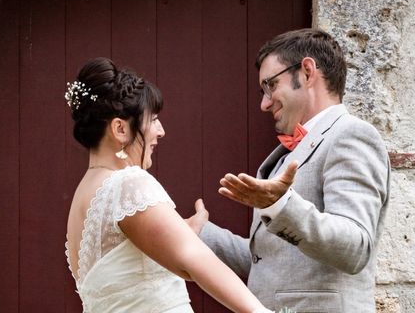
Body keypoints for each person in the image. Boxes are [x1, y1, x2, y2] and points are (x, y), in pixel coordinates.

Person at [188, 28, 391, 313]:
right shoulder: (290, 152)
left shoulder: (351, 135)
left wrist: (280, 205)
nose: (264, 102)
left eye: (270, 85)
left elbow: (354, 248)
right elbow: (273, 263)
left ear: (307, 72)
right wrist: (203, 235)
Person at [64, 57, 272, 313]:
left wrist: (183, 230)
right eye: (152, 119)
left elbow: (129, 266)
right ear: (120, 128)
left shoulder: (84, 196)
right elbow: (195, 259)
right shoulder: (127, 184)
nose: (160, 131)